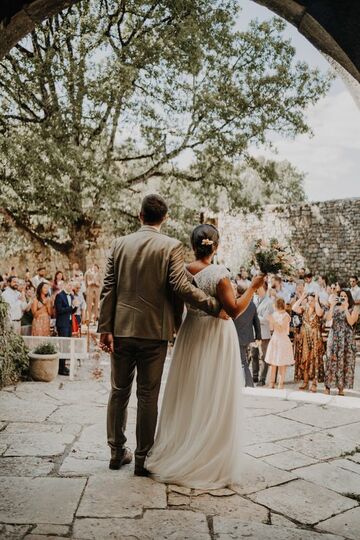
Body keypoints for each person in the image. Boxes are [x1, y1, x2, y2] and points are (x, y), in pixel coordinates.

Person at [98, 194, 264, 477]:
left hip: (122, 330)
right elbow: (181, 287)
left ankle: (116, 452)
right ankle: (141, 458)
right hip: (155, 332)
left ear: (139, 215)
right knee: (148, 395)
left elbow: (108, 287)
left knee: (119, 391)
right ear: (165, 218)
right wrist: (215, 307)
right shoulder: (170, 246)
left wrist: (105, 328)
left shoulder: (119, 244)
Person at [145, 223, 264, 488]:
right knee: (214, 393)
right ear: (217, 246)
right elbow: (233, 310)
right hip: (215, 336)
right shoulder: (220, 274)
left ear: (192, 246)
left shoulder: (183, 271)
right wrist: (253, 287)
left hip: (191, 333)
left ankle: (183, 447)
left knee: (189, 392)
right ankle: (208, 455)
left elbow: (178, 306)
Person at [324, 290, 359, 396]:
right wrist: (332, 305)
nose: (343, 298)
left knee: (344, 362)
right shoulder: (334, 307)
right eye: (341, 296)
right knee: (331, 360)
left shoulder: (354, 308)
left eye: (345, 296)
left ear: (349, 297)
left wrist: (346, 308)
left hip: (346, 338)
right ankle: (328, 386)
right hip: (334, 336)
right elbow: (328, 319)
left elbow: (351, 322)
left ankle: (341, 388)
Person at [292, 292, 325, 392]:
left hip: (315, 338)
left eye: (312, 300)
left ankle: (314, 383)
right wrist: (302, 297)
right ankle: (305, 381)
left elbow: (320, 313)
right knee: (304, 359)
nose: (310, 302)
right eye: (309, 300)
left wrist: (317, 300)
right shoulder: (304, 309)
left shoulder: (319, 308)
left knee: (314, 359)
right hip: (304, 338)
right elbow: (294, 308)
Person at [233, 284, 261, 387]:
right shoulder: (252, 304)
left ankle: (249, 384)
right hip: (247, 337)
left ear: (237, 292)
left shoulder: (235, 303)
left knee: (242, 361)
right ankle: (241, 383)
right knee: (242, 360)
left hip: (236, 336)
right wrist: (258, 336)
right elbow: (256, 322)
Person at [265, 298, 294, 389]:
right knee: (273, 361)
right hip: (275, 339)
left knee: (282, 362)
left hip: (282, 340)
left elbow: (282, 328)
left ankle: (280, 383)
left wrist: (273, 321)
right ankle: (272, 382)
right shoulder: (274, 314)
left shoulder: (286, 316)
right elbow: (271, 328)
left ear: (277, 306)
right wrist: (270, 321)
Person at [250, 282, 274, 386]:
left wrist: (254, 317)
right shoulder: (254, 298)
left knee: (264, 356)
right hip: (253, 331)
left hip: (264, 332)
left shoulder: (269, 302)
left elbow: (267, 319)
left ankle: (262, 379)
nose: (256, 289)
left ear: (264, 288)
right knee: (254, 354)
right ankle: (254, 376)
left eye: (258, 287)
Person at [54, 280, 77, 376]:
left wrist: (75, 306)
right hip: (62, 324)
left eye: (72, 285)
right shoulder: (59, 296)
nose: (71, 286)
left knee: (66, 346)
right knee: (62, 346)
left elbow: (71, 311)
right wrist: (71, 306)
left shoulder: (71, 296)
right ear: (65, 285)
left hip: (69, 323)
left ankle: (63, 367)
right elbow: (59, 310)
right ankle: (60, 368)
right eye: (69, 284)